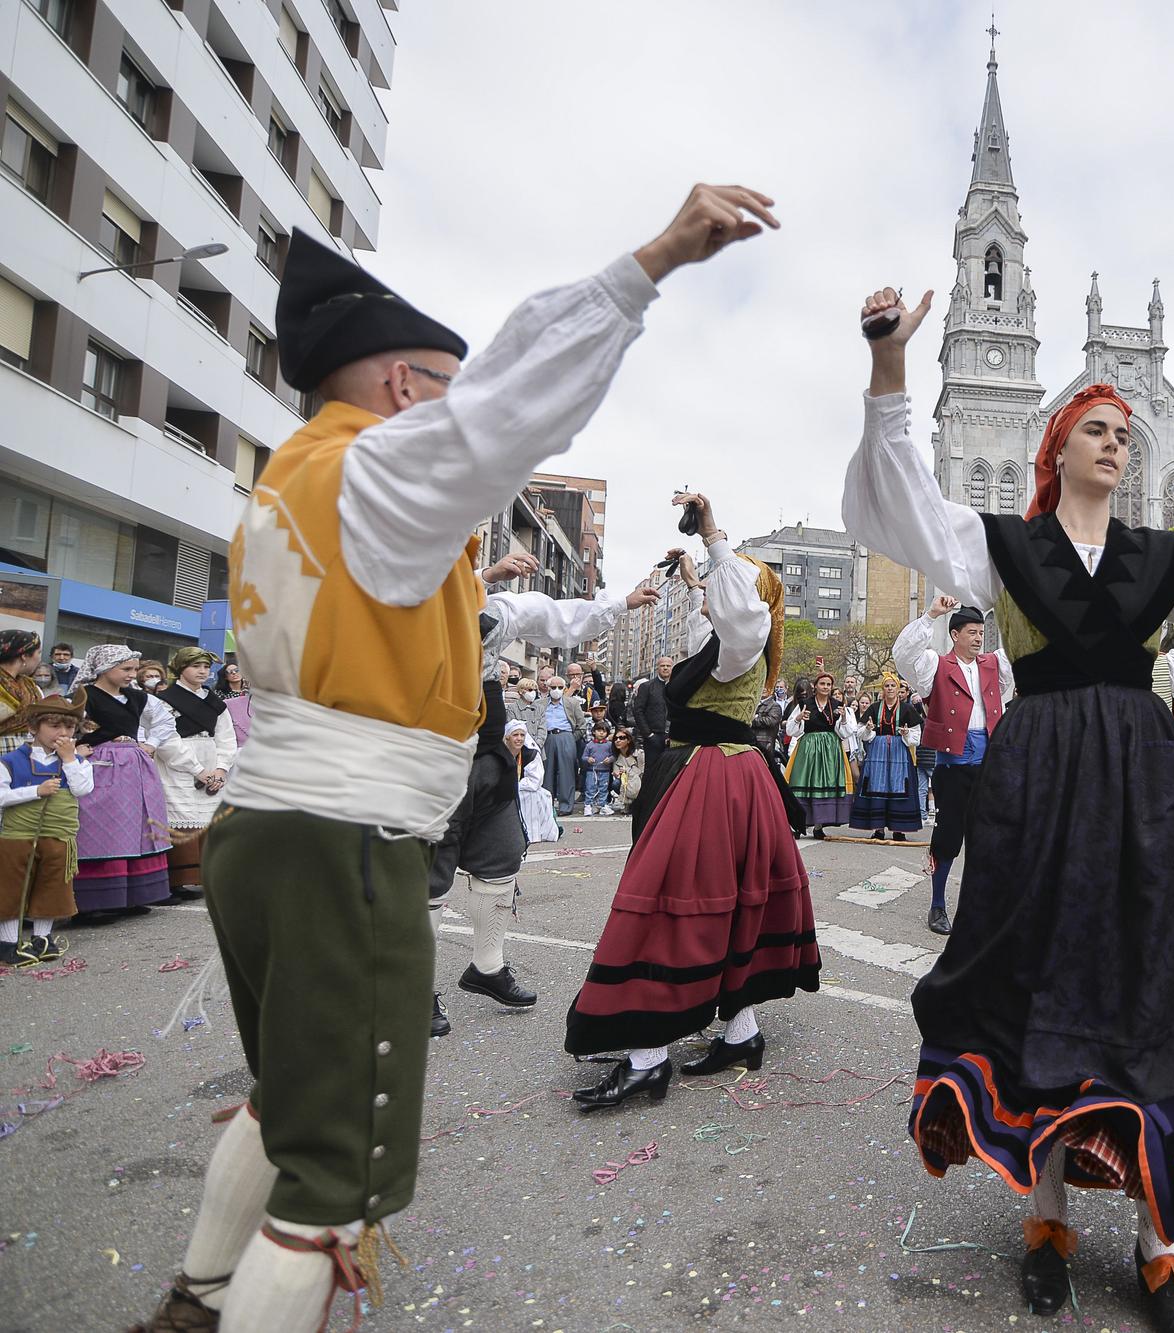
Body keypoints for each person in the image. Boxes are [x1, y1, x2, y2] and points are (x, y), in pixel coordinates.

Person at [133, 182, 779, 1333]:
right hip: (345, 839)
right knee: (333, 1177)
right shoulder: (376, 472)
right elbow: (511, 408)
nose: (449, 408)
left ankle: (196, 1299)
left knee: (285, 1096)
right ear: (397, 384)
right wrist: (653, 262)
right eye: (436, 385)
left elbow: (510, 605)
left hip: (270, 829)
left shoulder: (297, 478)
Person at [844, 283, 1174, 1333]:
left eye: (1124, 432)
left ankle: (1161, 1241)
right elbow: (894, 500)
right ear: (1056, 442)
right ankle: (1048, 1216)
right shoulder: (999, 549)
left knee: (1148, 986)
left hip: (1142, 791)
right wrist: (890, 361)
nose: (1117, 444)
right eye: (1099, 430)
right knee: (1039, 986)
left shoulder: (1166, 558)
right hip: (1033, 785)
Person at [565, 501, 818, 1108]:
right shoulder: (730, 639)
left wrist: (713, 535)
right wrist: (693, 575)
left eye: (730, 581)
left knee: (671, 907)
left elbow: (740, 608)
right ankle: (742, 1031)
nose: (717, 588)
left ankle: (649, 1056)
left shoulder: (744, 638)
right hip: (722, 775)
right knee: (728, 906)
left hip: (712, 780)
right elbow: (724, 602)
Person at [427, 550, 646, 1038]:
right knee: (428, 874)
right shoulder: (409, 598)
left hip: (487, 749)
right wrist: (483, 575)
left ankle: (486, 967)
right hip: (430, 747)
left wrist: (622, 604)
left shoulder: (499, 610)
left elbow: (560, 616)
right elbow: (421, 603)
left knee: (503, 858)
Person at [894, 596, 1012, 935]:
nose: (978, 638)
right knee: (948, 836)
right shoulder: (935, 665)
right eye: (972, 632)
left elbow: (1030, 649)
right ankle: (937, 905)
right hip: (952, 759)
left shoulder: (995, 663)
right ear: (956, 635)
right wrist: (932, 614)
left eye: (981, 632)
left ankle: (978, 906)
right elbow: (904, 655)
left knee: (987, 835)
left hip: (988, 756)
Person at [71, 645, 174, 917]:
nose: (133, 674)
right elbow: (72, 727)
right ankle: (96, 901)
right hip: (101, 765)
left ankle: (132, 895)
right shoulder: (84, 696)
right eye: (126, 669)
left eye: (134, 669)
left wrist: (149, 744)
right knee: (102, 828)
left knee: (136, 827)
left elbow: (165, 721)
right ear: (104, 669)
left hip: (134, 768)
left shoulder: (138, 698)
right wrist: (78, 749)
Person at [0, 695, 93, 965]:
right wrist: (35, 792)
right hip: (17, 837)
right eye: (54, 726)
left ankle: (43, 938)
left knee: (52, 885)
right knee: (12, 886)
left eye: (69, 727)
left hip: (59, 836)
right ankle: (8, 943)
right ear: (33, 728)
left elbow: (82, 789)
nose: (62, 733)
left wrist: (69, 760)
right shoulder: (11, 760)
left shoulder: (76, 762)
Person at [147, 647, 238, 902]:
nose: (202, 671)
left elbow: (226, 737)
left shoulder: (216, 703)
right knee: (181, 812)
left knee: (209, 816)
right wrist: (197, 770)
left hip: (210, 755)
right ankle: (178, 878)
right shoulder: (165, 699)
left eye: (206, 667)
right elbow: (165, 740)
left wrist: (220, 768)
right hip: (179, 763)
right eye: (195, 666)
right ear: (180, 668)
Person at [849, 675, 923, 841]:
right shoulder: (874, 708)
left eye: (892, 686)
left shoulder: (907, 709)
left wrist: (906, 733)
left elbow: (916, 736)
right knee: (877, 786)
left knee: (899, 788)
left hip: (899, 752)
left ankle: (899, 829)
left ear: (898, 689)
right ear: (883, 689)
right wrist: (869, 729)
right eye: (887, 686)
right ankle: (878, 829)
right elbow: (860, 732)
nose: (890, 688)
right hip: (878, 752)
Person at [783, 672, 855, 838]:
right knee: (803, 782)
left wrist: (843, 719)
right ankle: (798, 824)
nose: (825, 687)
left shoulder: (837, 705)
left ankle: (818, 825)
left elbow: (844, 733)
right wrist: (799, 718)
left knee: (824, 784)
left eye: (828, 684)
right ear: (815, 686)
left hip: (830, 749)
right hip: (808, 747)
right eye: (822, 684)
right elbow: (791, 731)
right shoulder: (804, 704)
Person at [538, 670, 586, 817]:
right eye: (553, 687)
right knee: (546, 773)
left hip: (566, 736)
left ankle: (565, 806)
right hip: (547, 737)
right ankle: (546, 805)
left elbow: (581, 725)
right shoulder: (539, 704)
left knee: (567, 773)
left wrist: (571, 738)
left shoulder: (572, 703)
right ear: (548, 688)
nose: (556, 690)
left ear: (564, 688)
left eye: (560, 687)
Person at [509, 721, 560, 845]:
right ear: (507, 737)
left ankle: (531, 833)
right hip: (505, 789)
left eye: (522, 735)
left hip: (527, 790)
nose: (519, 739)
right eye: (515, 735)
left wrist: (513, 785)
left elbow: (534, 781)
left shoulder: (531, 754)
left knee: (527, 795)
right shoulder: (502, 752)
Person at [0, 629, 44, 755]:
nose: (39, 659)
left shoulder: (29, 685)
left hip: (23, 752)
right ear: (24, 655)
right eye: (38, 653)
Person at [633, 655, 673, 766]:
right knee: (651, 771)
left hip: (672, 737)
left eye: (668, 666)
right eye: (662, 666)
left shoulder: (677, 686)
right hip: (653, 737)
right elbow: (638, 711)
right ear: (657, 668)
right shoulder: (647, 686)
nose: (665, 668)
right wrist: (649, 735)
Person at [581, 723, 614, 815]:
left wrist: (610, 759)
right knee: (590, 788)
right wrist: (588, 759)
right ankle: (588, 805)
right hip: (591, 771)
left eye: (604, 731)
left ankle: (602, 805)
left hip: (605, 771)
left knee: (603, 788)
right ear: (594, 732)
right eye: (599, 731)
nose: (601, 733)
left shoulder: (609, 745)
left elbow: (614, 756)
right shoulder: (589, 745)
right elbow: (583, 757)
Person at [609, 728, 644, 814]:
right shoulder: (616, 757)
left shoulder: (639, 753)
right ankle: (628, 803)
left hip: (639, 781)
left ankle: (636, 803)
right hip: (625, 783)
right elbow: (617, 774)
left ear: (628, 740)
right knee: (616, 783)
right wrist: (617, 774)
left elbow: (642, 771)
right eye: (615, 739)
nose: (618, 740)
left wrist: (627, 770)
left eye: (621, 738)